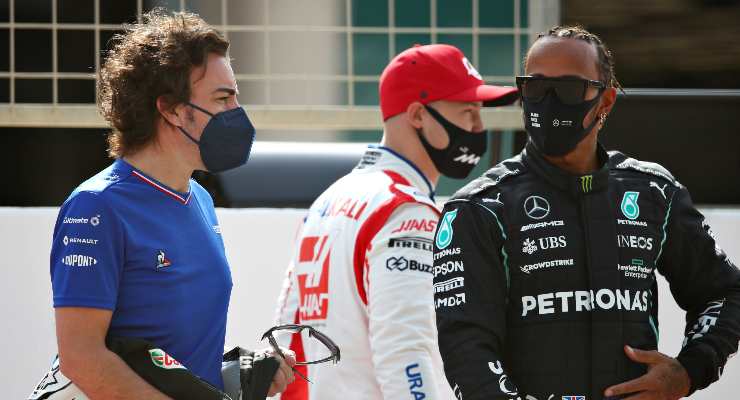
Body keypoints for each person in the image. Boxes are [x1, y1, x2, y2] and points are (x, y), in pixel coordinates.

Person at [432, 25, 740, 400]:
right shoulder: (480, 207)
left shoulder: (652, 192)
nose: (548, 102)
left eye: (567, 89)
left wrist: (690, 371)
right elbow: (466, 345)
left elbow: (725, 293)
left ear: (605, 102)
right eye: (535, 87)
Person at [49, 10, 294, 399]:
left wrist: (236, 370)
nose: (236, 112)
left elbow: (175, 353)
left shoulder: (201, 200)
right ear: (172, 110)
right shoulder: (96, 207)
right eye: (223, 97)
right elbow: (81, 358)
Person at [274, 44, 518, 400]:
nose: (479, 127)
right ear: (417, 115)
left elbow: (284, 338)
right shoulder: (406, 211)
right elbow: (406, 352)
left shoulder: (327, 201)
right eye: (468, 112)